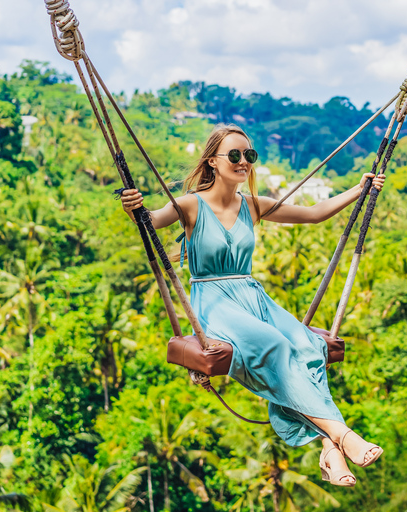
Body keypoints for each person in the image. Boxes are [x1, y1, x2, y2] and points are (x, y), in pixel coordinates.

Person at [121, 124, 385, 487]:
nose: (243, 161)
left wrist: (360, 189)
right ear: (213, 161)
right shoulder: (189, 205)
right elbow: (149, 222)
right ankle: (341, 436)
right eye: (234, 155)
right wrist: (134, 209)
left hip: (253, 297)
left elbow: (314, 213)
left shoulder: (253, 205)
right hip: (214, 300)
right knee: (275, 346)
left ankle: (328, 447)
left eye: (249, 155)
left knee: (308, 347)